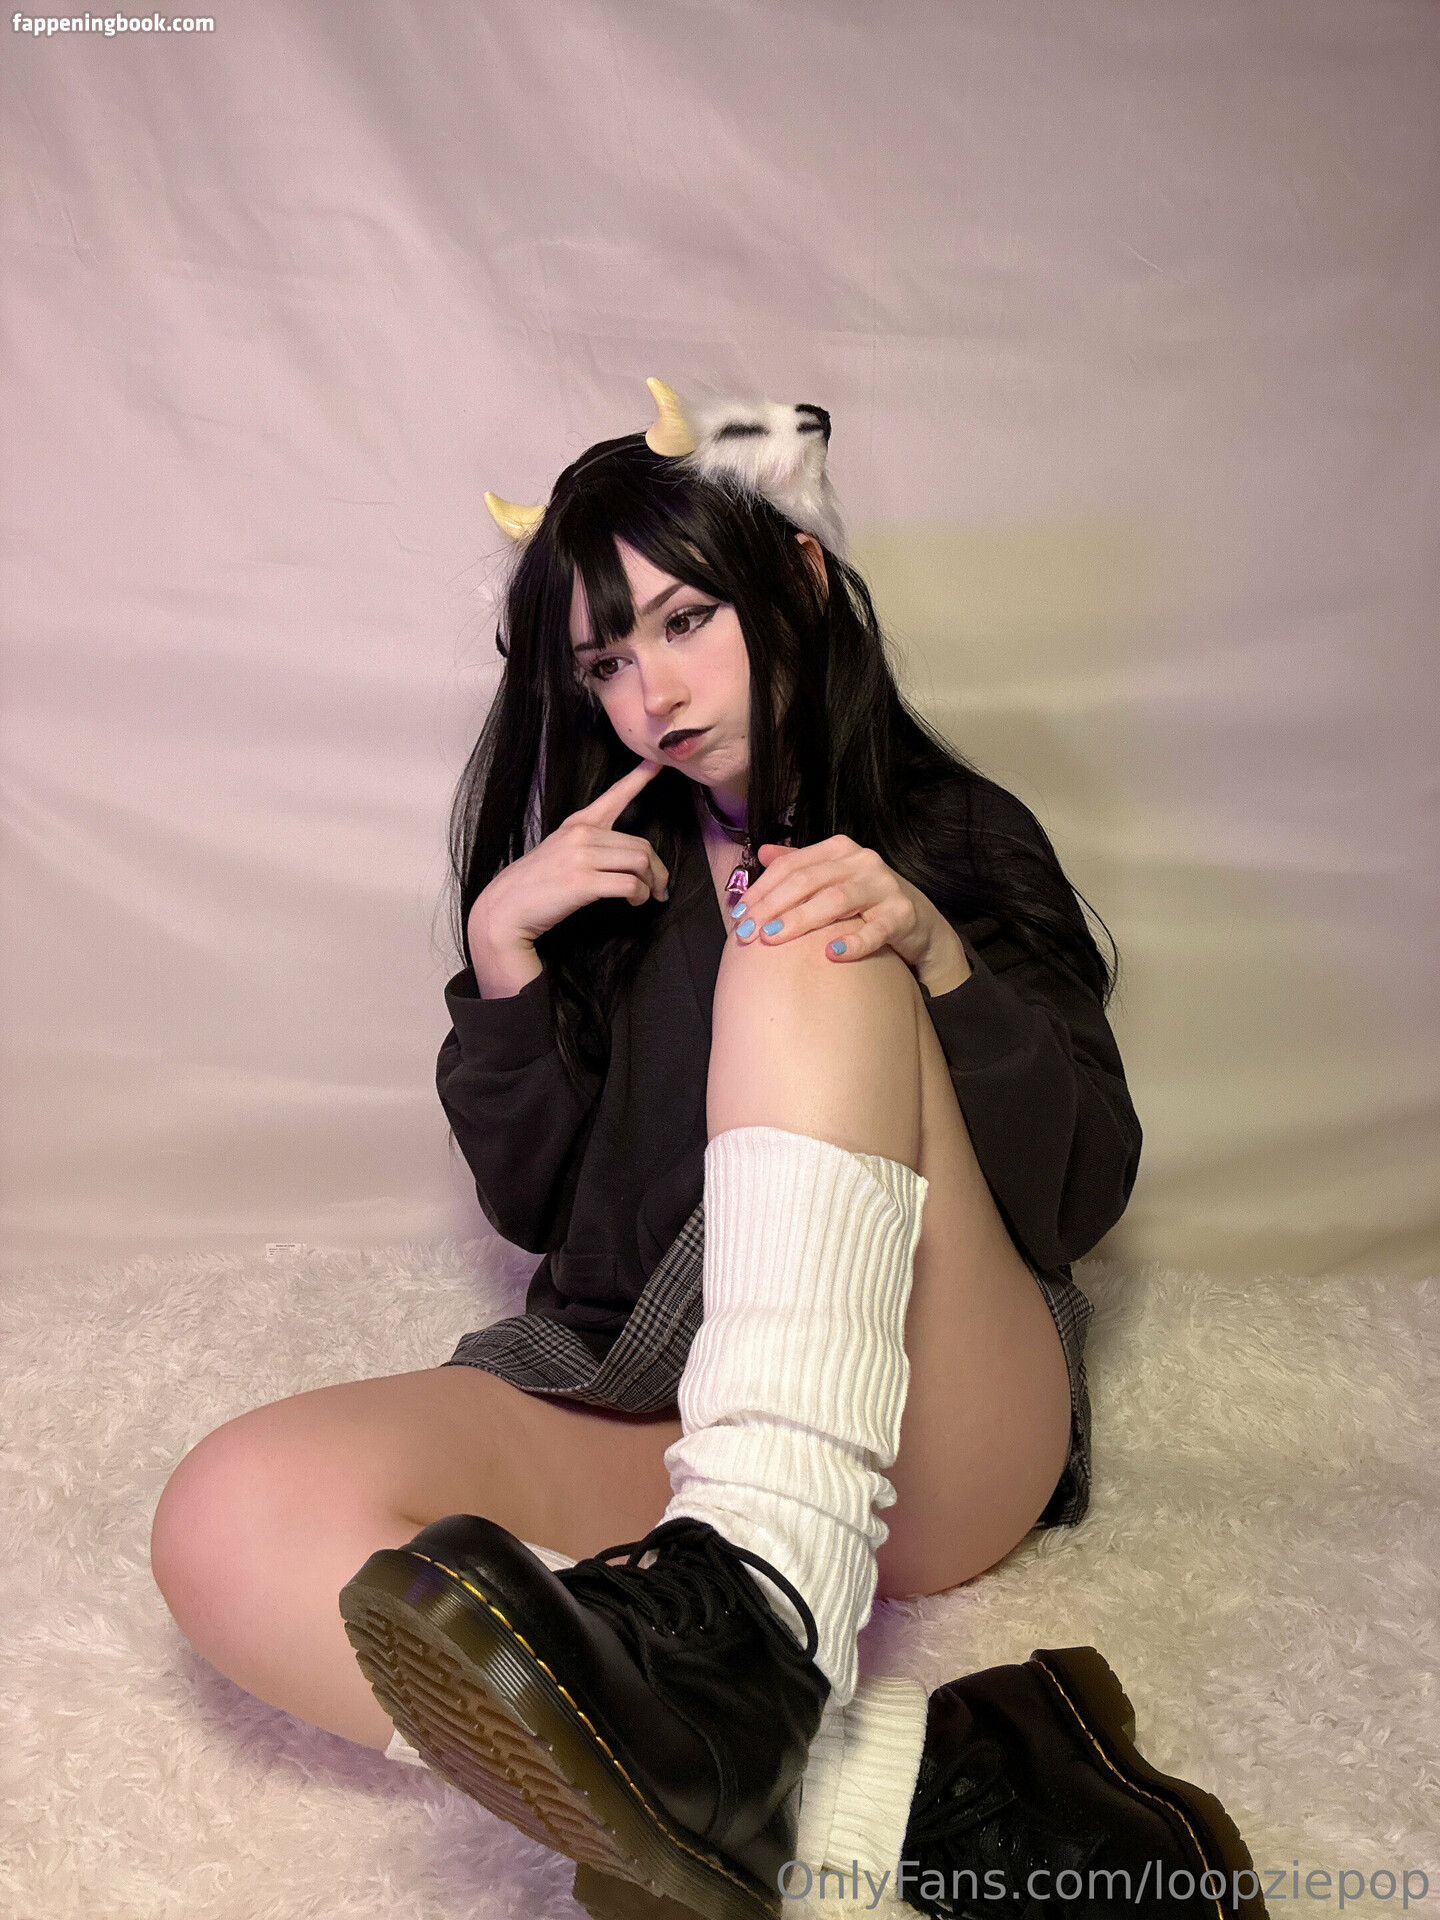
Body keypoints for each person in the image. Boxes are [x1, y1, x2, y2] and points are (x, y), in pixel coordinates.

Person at [150, 382, 1266, 1920]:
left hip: (934, 1428)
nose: (650, 694)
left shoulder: (954, 834)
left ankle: (757, 1617)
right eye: (607, 662)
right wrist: (506, 963)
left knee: (809, 928)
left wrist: (937, 961)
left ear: (796, 580)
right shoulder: (620, 877)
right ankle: (850, 1779)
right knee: (232, 1515)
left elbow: (1076, 1197)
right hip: (658, 1405)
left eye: (685, 622)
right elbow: (540, 1208)